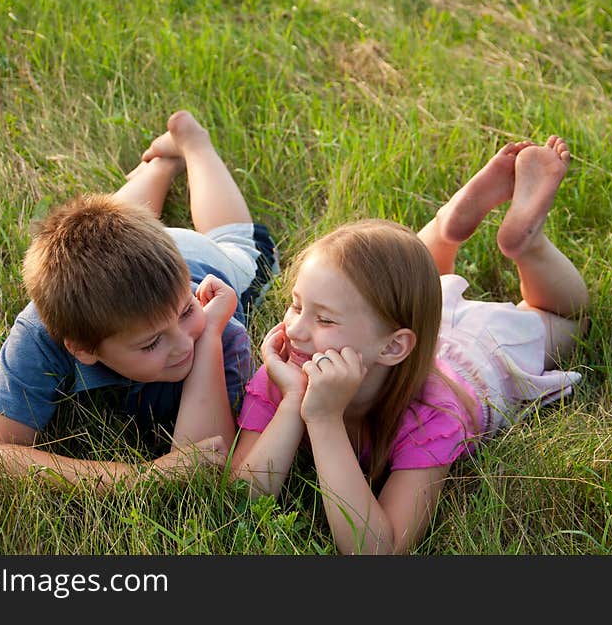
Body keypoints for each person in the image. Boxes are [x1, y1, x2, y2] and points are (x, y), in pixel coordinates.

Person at [230, 136, 589, 554]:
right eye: (296, 306)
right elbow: (243, 499)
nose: (296, 330)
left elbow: (378, 551)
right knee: (396, 290)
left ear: (393, 348)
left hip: (482, 349)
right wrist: (293, 400)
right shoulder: (290, 367)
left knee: (568, 320)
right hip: (408, 332)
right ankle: (447, 225)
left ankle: (526, 245)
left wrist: (325, 420)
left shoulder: (430, 414)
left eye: (324, 318)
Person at [0, 111, 278, 491]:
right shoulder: (41, 333)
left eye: (186, 314)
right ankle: (161, 166)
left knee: (238, 242)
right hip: (151, 273)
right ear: (81, 349)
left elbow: (205, 459)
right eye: (151, 342)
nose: (185, 343)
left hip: (205, 260)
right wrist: (138, 478)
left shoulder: (218, 324)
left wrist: (210, 333)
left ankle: (194, 144)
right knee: (104, 225)